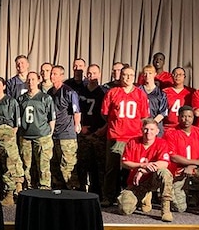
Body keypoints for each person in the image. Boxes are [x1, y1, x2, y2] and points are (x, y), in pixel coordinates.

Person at [101, 66, 149, 206]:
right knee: (112, 168)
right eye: (124, 75)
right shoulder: (112, 92)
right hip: (116, 136)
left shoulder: (140, 95)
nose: (127, 78)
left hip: (133, 138)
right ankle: (109, 197)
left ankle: (134, 198)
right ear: (120, 76)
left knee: (132, 170)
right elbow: (105, 113)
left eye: (130, 75)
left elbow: (144, 116)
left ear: (134, 77)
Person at [163, 106, 199, 218]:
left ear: (193, 118)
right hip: (179, 170)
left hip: (197, 167)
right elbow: (173, 157)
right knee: (179, 208)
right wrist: (189, 165)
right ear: (178, 118)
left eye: (189, 116)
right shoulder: (171, 133)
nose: (186, 119)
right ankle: (189, 194)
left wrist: (192, 165)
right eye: (183, 116)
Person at [117, 118, 174, 222]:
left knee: (165, 173)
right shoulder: (133, 142)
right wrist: (142, 166)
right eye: (146, 129)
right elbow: (124, 163)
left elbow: (164, 163)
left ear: (157, 131)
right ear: (142, 129)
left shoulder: (162, 143)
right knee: (124, 209)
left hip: (153, 178)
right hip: (137, 182)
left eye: (152, 129)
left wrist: (145, 170)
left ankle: (166, 209)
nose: (149, 132)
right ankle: (143, 197)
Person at [0, 77, 22, 205]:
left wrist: (9, 136)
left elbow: (16, 124)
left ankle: (10, 193)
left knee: (8, 163)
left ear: (4, 86)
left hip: (6, 134)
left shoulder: (11, 101)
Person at [17, 72, 55, 189]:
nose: (30, 82)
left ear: (38, 80)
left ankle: (44, 187)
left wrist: (50, 133)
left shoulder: (45, 98)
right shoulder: (21, 99)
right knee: (26, 164)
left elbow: (51, 117)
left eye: (33, 79)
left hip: (42, 135)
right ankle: (28, 186)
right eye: (28, 80)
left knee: (43, 164)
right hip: (25, 136)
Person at [47, 66, 81, 190]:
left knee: (67, 166)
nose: (52, 76)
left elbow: (76, 112)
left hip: (66, 135)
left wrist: (76, 126)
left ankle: (73, 190)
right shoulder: (50, 93)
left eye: (55, 74)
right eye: (51, 73)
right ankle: (59, 190)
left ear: (61, 76)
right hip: (53, 135)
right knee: (54, 165)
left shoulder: (69, 92)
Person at [75, 64, 107, 194]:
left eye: (94, 73)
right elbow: (75, 112)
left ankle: (98, 193)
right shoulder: (80, 92)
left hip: (98, 134)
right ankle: (81, 190)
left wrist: (101, 130)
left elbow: (108, 116)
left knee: (98, 166)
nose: (91, 76)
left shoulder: (104, 93)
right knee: (82, 164)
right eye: (89, 73)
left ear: (99, 75)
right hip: (83, 133)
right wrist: (80, 126)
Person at [139, 65, 168, 136]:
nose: (147, 76)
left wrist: (152, 124)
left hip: (156, 126)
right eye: (145, 73)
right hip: (140, 126)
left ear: (155, 74)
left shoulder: (161, 94)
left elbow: (163, 112)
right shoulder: (137, 91)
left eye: (150, 73)